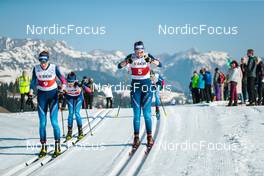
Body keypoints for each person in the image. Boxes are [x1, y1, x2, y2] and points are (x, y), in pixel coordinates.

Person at [117, 41, 162, 150]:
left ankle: (149, 137)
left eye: (141, 51)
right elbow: (119, 66)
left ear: (143, 50)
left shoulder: (147, 55)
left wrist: (150, 60)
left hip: (146, 85)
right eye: (137, 51)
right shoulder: (131, 56)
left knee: (147, 114)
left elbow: (160, 64)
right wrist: (127, 61)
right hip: (135, 86)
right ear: (134, 50)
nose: (139, 54)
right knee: (136, 114)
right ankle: (136, 138)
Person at [29, 51, 66, 158]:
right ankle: (43, 146)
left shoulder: (54, 67)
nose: (43, 63)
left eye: (44, 61)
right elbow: (33, 81)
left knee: (54, 122)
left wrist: (61, 90)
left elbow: (63, 80)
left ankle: (57, 145)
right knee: (42, 123)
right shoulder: (36, 68)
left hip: (53, 96)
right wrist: (30, 93)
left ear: (48, 60)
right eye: (41, 60)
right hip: (42, 97)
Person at [64, 72, 92, 141]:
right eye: (69, 82)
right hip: (70, 98)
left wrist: (82, 85)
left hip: (78, 98)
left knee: (76, 113)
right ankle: (69, 132)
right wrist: (61, 95)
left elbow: (90, 91)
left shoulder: (78, 84)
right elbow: (63, 93)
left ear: (75, 81)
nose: (70, 84)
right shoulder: (65, 85)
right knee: (70, 114)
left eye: (72, 82)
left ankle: (80, 131)